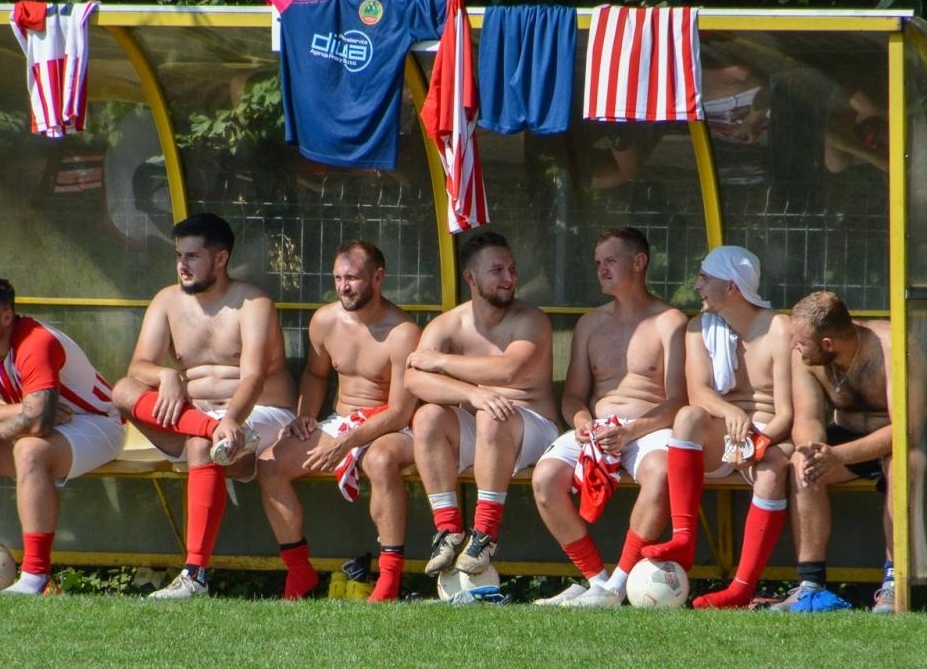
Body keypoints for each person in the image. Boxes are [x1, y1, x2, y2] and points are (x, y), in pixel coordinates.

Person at [112, 212, 297, 600]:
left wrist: (230, 419)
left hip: (259, 415)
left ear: (221, 258)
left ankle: (194, 575)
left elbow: (253, 377)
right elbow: (138, 367)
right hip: (201, 422)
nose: (182, 265)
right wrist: (167, 376)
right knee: (123, 389)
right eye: (179, 256)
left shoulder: (253, 302)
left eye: (192, 256)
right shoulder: (166, 300)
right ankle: (211, 434)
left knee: (201, 443)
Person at [530, 227, 687, 609]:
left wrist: (633, 430)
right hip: (598, 431)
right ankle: (597, 582)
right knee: (545, 477)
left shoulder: (671, 321)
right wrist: (581, 422)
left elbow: (679, 400)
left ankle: (618, 584)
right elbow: (572, 396)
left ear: (639, 262)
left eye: (610, 261)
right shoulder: (590, 323)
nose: (601, 270)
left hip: (650, 429)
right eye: (598, 262)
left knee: (663, 472)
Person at [257, 241, 420, 602]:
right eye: (338, 277)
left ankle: (389, 580)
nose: (343, 286)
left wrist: (346, 443)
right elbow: (316, 377)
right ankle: (299, 571)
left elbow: (400, 411)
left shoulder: (403, 331)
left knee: (379, 462)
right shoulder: (325, 320)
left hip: (390, 425)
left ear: (378, 278)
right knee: (269, 465)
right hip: (340, 421)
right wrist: (306, 417)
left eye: (353, 278)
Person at [0, 274, 126, 594]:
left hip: (98, 422)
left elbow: (38, 426)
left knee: (29, 449)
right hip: (42, 425)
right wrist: (24, 411)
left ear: (7, 316)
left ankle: (35, 576)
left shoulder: (36, 341)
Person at [641, 246, 795, 608]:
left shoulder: (778, 328)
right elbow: (699, 394)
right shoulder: (699, 328)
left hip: (769, 435)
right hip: (725, 432)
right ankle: (683, 538)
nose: (696, 286)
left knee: (773, 471)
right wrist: (731, 414)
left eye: (705, 278)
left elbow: (787, 414)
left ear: (732, 288)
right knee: (688, 417)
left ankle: (741, 587)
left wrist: (757, 442)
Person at [404, 231, 560, 577]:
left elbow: (508, 370)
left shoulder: (531, 320)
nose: (509, 278)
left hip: (533, 427)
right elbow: (413, 379)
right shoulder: (447, 324)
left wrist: (442, 362)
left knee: (491, 415)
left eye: (512, 269)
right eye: (497, 270)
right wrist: (471, 394)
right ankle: (447, 529)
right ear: (470, 278)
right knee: (427, 417)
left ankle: (485, 534)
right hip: (483, 422)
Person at [783, 290, 919, 613]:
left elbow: (907, 429)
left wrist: (840, 456)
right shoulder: (806, 356)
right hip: (850, 436)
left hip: (908, 440)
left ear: (828, 344)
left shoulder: (891, 347)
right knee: (802, 462)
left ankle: (892, 583)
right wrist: (815, 449)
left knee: (899, 463)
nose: (793, 346)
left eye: (800, 341)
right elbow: (807, 418)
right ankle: (810, 586)